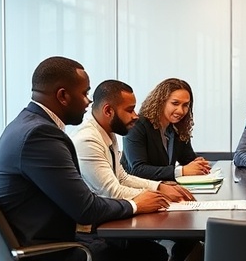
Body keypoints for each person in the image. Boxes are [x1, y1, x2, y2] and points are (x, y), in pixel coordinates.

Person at [0, 56, 171, 261]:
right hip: (48, 250)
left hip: (44, 239)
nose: (89, 101)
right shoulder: (40, 135)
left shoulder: (28, 125)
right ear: (63, 96)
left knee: (148, 250)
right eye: (85, 93)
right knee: (150, 254)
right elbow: (86, 209)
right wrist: (135, 205)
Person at [71, 79, 199, 261]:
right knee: (156, 254)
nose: (136, 115)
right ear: (108, 111)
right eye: (130, 110)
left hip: (110, 218)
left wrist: (159, 188)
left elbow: (122, 177)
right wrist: (156, 196)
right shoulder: (87, 140)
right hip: (93, 230)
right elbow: (111, 191)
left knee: (163, 251)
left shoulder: (108, 132)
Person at [122, 78, 211, 181]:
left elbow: (187, 159)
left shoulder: (176, 127)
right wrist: (181, 171)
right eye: (175, 103)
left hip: (164, 187)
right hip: (136, 190)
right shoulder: (137, 126)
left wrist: (197, 163)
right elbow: (137, 170)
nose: (181, 111)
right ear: (161, 102)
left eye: (186, 105)